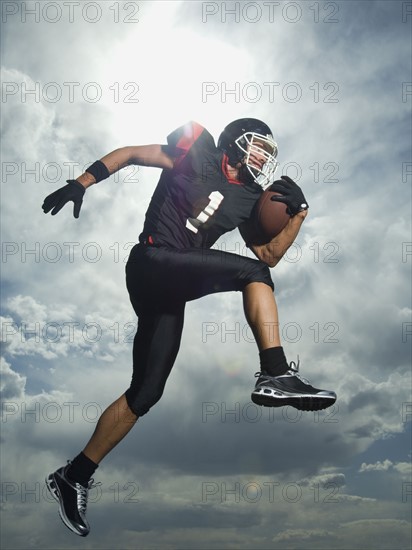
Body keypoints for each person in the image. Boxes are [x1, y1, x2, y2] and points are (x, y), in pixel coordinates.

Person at [42, 118, 336, 537]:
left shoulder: (251, 196)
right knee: (250, 274)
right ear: (237, 142)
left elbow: (268, 255)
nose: (264, 158)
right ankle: (275, 372)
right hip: (151, 260)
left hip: (172, 286)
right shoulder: (195, 152)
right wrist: (82, 182)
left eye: (269, 154)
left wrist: (299, 216)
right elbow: (129, 154)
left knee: (145, 394)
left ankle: (74, 475)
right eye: (259, 148)